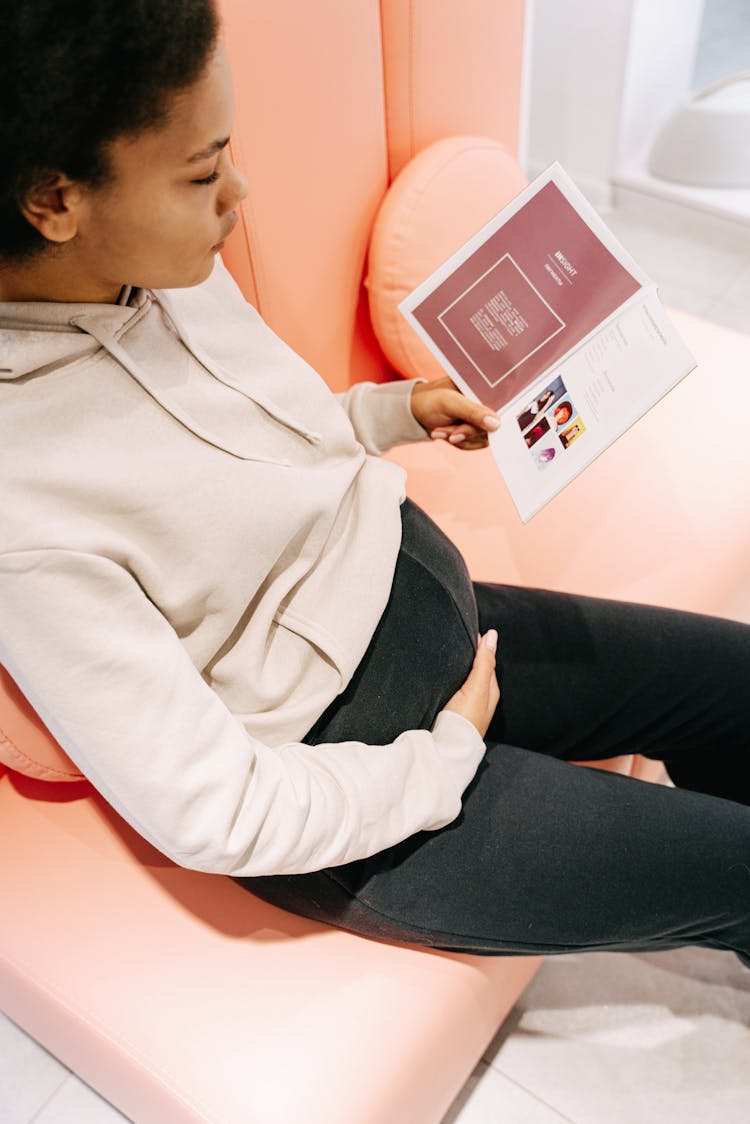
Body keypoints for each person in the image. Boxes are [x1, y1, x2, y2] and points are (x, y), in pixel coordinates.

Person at [1, 1, 748, 969]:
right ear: (55, 202)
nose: (239, 193)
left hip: (435, 616)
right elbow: (213, 806)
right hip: (357, 792)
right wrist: (440, 760)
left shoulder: (155, 267)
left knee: (735, 682)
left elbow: (252, 443)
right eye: (200, 173)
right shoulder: (25, 503)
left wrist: (394, 412)